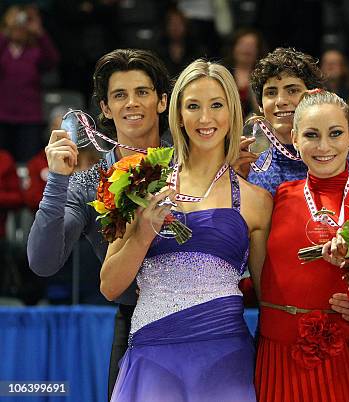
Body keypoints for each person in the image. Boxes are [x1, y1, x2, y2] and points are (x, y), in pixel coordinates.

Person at [102, 59, 271, 402]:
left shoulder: (257, 201)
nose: (205, 118)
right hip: (152, 356)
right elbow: (109, 286)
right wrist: (144, 233)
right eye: (193, 106)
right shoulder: (140, 180)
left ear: (232, 113)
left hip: (226, 360)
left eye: (216, 105)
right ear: (178, 114)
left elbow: (268, 299)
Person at [26, 48, 172, 398]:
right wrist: (58, 180)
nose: (131, 103)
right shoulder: (88, 182)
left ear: (162, 101)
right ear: (105, 109)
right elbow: (42, 263)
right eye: (119, 95)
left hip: (203, 319)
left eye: (142, 92)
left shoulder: (191, 166)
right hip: (134, 323)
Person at [255, 89, 349, 402]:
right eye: (312, 135)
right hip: (276, 361)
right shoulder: (277, 197)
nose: (324, 146)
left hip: (344, 362)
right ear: (296, 139)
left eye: (336, 133)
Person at [242, 47, 349, 197]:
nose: (280, 101)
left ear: (312, 97)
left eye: (292, 90)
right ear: (260, 105)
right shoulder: (250, 169)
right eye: (271, 93)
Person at [0, 4, 60, 163]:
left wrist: (39, 32)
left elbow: (52, 60)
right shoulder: (3, 48)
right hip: (3, 115)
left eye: (23, 25)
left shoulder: (35, 50)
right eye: (16, 25)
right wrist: (6, 31)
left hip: (29, 117)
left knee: (29, 162)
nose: (19, 29)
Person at [223, 28, 266, 118]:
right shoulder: (223, 73)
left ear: (258, 50)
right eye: (242, 44)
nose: (247, 49)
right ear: (233, 47)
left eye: (252, 45)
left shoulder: (264, 75)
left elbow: (262, 110)